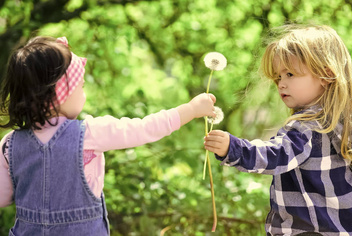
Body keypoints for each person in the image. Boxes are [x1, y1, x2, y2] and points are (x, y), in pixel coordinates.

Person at [0, 36, 216, 235]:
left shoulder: (10, 145)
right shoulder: (90, 134)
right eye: (80, 87)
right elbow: (145, 128)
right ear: (60, 93)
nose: (83, 93)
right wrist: (191, 109)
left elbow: (3, 197)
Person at [204, 24, 352, 236]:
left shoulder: (307, 127)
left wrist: (234, 149)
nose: (281, 84)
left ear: (325, 76)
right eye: (278, 77)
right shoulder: (342, 123)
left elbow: (276, 155)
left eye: (290, 74)